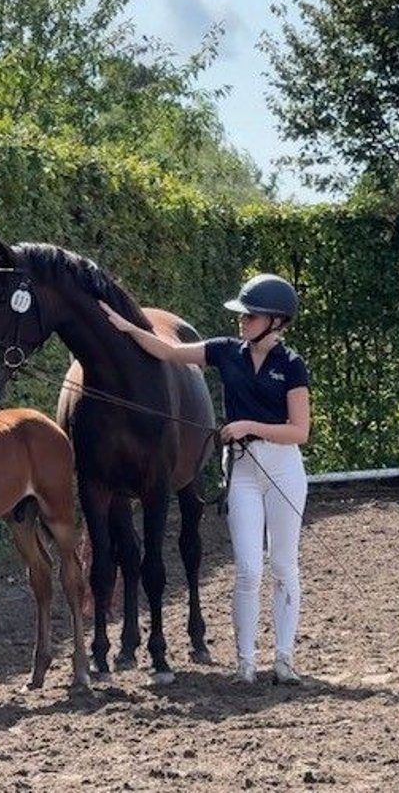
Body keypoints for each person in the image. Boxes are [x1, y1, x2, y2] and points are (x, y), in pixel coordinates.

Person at [100, 273, 311, 686]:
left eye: (250, 315)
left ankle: (284, 658)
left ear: (276, 321)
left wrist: (249, 424)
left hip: (283, 468)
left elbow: (300, 431)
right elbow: (169, 351)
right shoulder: (225, 352)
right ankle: (246, 662)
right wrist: (126, 326)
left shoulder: (291, 366)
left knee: (284, 566)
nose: (242, 321)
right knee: (248, 569)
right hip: (244, 470)